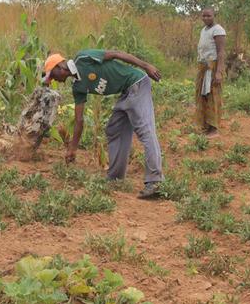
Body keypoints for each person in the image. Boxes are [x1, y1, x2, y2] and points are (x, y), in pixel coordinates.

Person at [43, 49, 164, 199]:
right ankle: (115, 178)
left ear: (59, 67)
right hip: (126, 92)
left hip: (137, 83)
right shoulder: (78, 87)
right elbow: (79, 120)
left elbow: (116, 54)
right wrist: (72, 149)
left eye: (52, 75)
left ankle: (155, 182)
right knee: (114, 129)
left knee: (146, 131)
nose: (54, 80)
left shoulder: (83, 58)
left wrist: (145, 66)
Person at [196, 7, 226, 138]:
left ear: (214, 16)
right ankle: (206, 126)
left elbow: (221, 52)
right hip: (203, 67)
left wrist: (219, 72)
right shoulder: (204, 30)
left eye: (208, 16)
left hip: (213, 68)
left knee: (213, 96)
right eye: (204, 16)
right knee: (203, 96)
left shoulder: (218, 30)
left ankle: (214, 129)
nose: (206, 18)